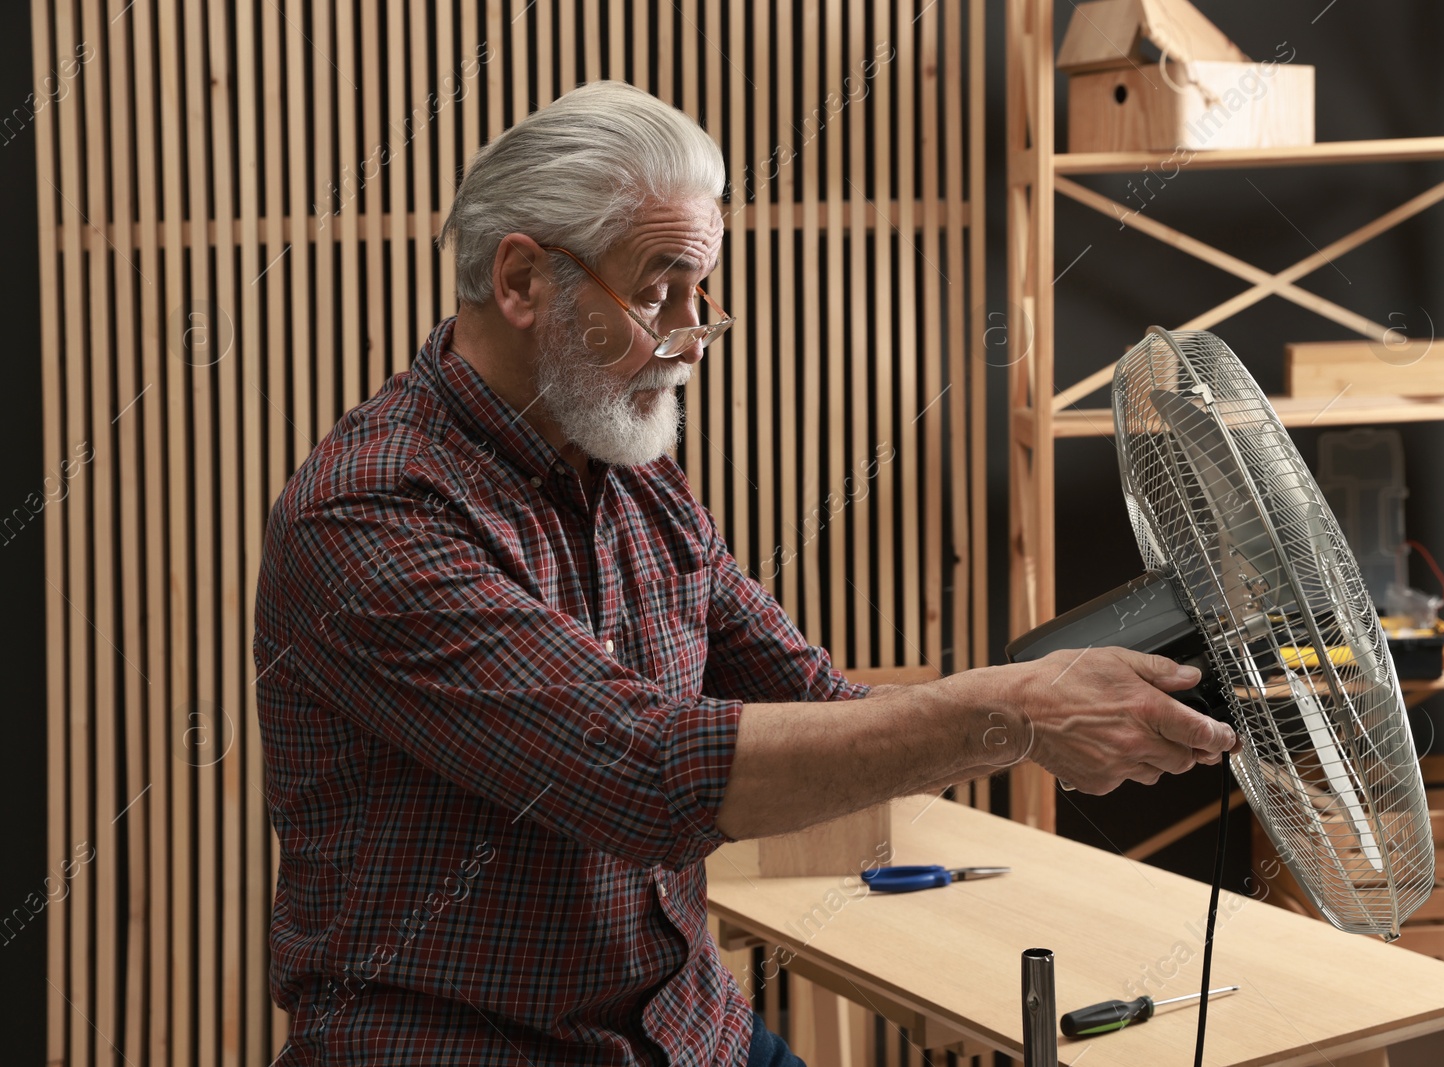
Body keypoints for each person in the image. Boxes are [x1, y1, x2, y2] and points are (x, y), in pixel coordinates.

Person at [252, 80, 1238, 1067]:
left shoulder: (630, 468)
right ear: (522, 281)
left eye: (701, 296)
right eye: (655, 292)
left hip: (683, 1025)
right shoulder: (373, 515)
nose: (687, 340)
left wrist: (1060, 699)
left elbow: (809, 694)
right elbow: (643, 772)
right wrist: (1016, 710)